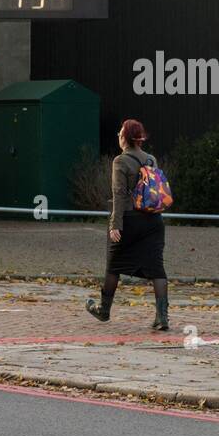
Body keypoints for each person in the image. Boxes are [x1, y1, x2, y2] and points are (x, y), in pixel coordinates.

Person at [86, 118, 170, 330]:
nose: (118, 136)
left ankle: (104, 310)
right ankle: (162, 318)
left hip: (130, 220)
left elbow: (119, 194)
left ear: (125, 137)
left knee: (114, 265)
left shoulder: (120, 161)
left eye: (120, 133)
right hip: (154, 221)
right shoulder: (151, 160)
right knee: (157, 269)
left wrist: (115, 225)